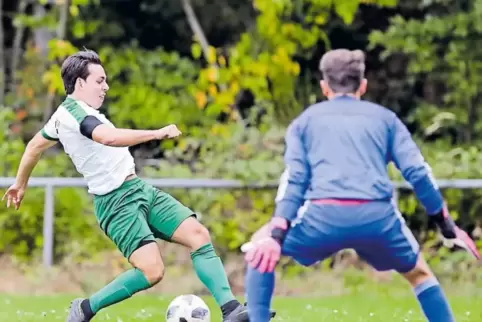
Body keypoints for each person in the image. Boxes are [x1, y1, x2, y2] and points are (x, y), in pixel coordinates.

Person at [2, 49, 256, 322]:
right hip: (116, 203)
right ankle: (85, 308)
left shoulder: (69, 115)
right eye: (100, 81)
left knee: (197, 234)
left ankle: (232, 311)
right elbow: (108, 138)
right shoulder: (72, 115)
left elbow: (34, 147)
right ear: (79, 83)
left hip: (139, 190)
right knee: (152, 271)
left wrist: (19, 183)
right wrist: (157, 133)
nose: (106, 86)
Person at [242, 49, 480, 322]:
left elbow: (295, 180)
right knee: (420, 274)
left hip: (323, 216)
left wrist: (276, 234)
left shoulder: (304, 123)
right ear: (363, 85)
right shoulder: (386, 120)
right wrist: (446, 226)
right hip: (377, 219)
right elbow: (417, 172)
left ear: (324, 87)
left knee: (258, 248)